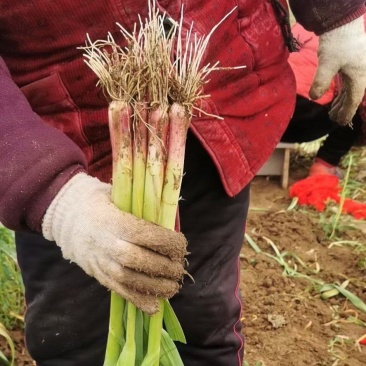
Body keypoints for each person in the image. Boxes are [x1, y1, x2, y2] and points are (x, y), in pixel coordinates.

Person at [0, 1, 365, 365]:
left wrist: (337, 14)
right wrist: (58, 202)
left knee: (202, 326)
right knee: (79, 342)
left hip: (224, 98)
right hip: (61, 146)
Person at [281, 21, 365, 177]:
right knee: (357, 107)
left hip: (264, 111)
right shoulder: (358, 20)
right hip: (303, 120)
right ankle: (324, 165)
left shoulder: (315, 11)